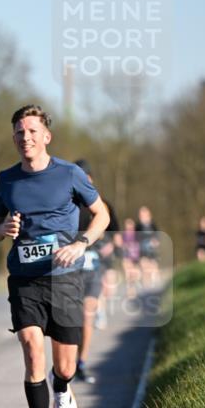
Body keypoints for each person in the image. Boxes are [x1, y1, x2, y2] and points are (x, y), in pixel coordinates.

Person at [0, 105, 109, 408]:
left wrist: (81, 243)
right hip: (24, 279)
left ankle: (62, 387)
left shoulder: (70, 174)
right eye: (19, 132)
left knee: (66, 365)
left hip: (64, 278)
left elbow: (102, 214)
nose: (25, 137)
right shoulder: (7, 180)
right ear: (14, 138)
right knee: (31, 349)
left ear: (46, 136)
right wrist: (2, 229)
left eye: (31, 131)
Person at [74, 159, 121, 384]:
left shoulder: (102, 204)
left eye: (85, 177)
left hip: (94, 266)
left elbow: (115, 233)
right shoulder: (66, 203)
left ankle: (81, 362)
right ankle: (67, 363)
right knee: (70, 319)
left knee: (87, 313)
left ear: (90, 178)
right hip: (70, 267)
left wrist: (109, 246)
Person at [135, 206, 161, 289]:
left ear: (149, 215)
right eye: (141, 215)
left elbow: (157, 237)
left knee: (154, 270)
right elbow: (136, 239)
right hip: (142, 252)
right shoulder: (138, 226)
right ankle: (146, 290)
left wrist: (155, 241)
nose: (142, 216)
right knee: (145, 271)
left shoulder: (153, 225)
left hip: (152, 252)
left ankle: (158, 289)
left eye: (144, 214)